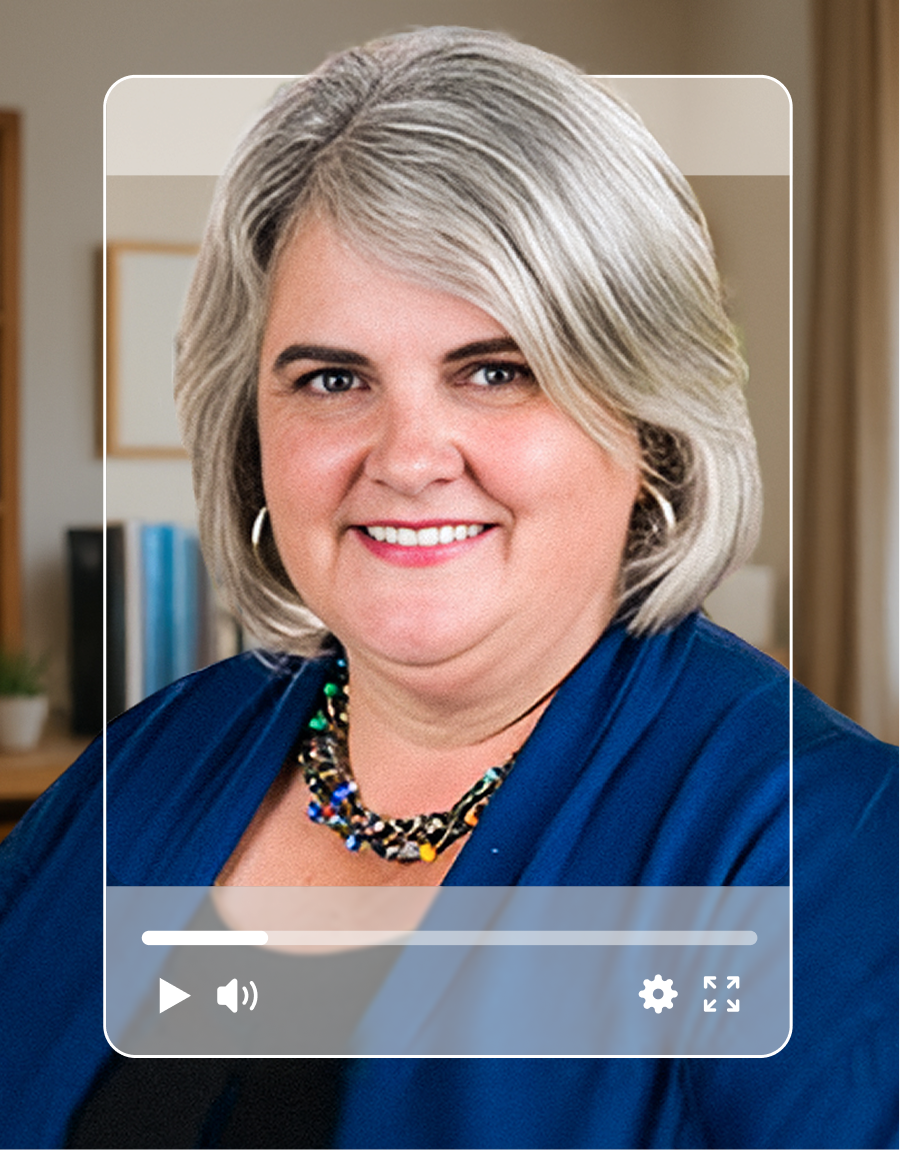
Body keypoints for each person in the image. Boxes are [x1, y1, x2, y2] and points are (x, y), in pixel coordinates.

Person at [0, 26, 896, 1150]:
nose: (409, 457)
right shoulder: (145, 765)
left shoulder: (825, 849)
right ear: (252, 436)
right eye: (334, 378)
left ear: (651, 425)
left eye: (496, 370)